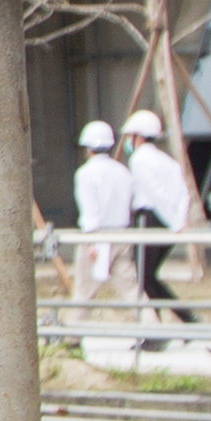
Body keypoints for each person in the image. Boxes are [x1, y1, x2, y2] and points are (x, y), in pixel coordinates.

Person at [120, 105, 199, 320]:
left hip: (149, 218)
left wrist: (175, 222)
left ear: (137, 136)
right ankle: (178, 319)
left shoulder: (139, 160)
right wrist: (179, 219)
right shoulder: (167, 160)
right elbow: (184, 194)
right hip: (166, 220)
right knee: (149, 276)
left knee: (144, 277)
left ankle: (171, 322)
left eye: (130, 136)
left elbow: (157, 194)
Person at [70, 118, 134, 308]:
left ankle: (74, 335)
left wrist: (91, 243)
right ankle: (151, 327)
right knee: (130, 287)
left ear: (87, 148)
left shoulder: (85, 173)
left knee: (84, 290)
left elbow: (90, 209)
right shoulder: (123, 171)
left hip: (97, 234)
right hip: (122, 235)